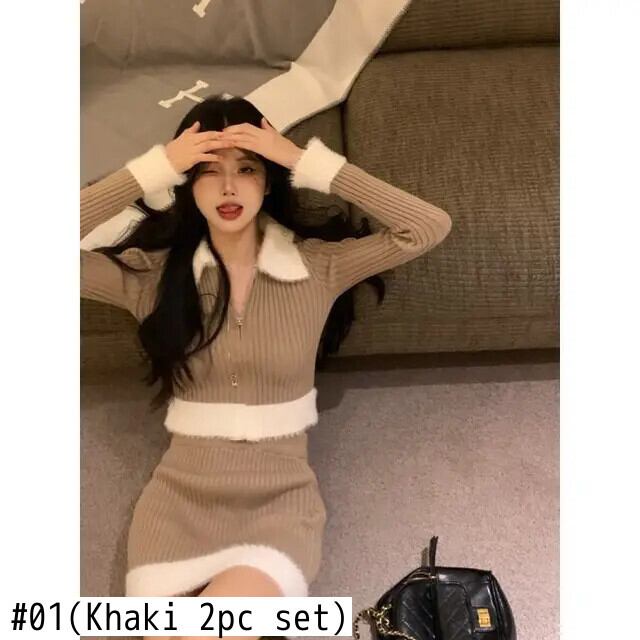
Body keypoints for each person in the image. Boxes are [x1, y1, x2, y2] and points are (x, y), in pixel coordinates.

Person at [80, 94, 453, 640]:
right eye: (208, 171)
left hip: (278, 505)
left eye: (248, 169)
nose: (229, 188)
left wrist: (300, 158)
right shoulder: (151, 278)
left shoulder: (319, 266)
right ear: (186, 185)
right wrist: (153, 168)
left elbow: (427, 226)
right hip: (178, 503)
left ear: (269, 181)